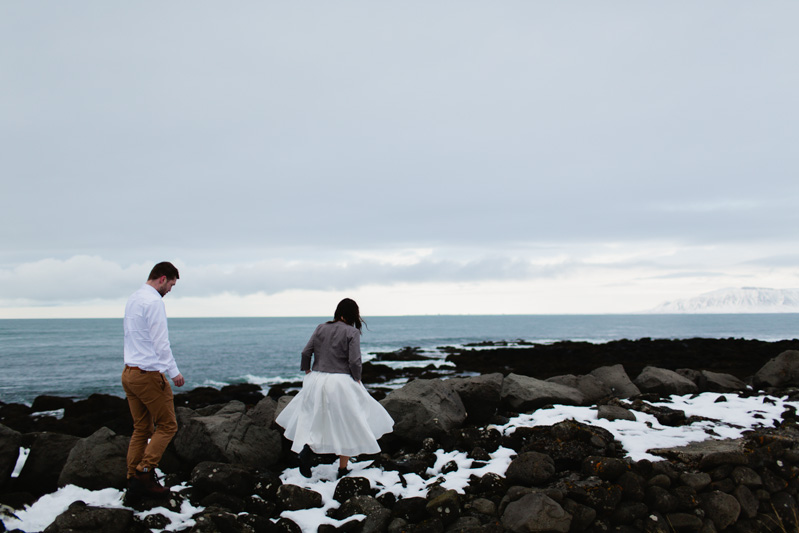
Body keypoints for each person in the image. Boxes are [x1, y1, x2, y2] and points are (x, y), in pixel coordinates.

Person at [276, 298, 394, 478]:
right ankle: (342, 468)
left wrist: (308, 370)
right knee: (348, 423)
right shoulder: (352, 332)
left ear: (338, 311)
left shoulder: (321, 327)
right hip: (340, 382)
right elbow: (354, 361)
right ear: (353, 314)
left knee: (315, 420)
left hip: (315, 380)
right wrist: (357, 380)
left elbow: (305, 352)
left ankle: (308, 449)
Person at [121, 261, 185, 499]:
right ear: (162, 278)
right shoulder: (154, 302)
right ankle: (145, 472)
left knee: (141, 428)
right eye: (171, 284)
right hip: (148, 375)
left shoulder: (134, 298)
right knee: (168, 426)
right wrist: (174, 372)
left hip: (129, 373)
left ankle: (132, 478)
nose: (170, 289)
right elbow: (161, 342)